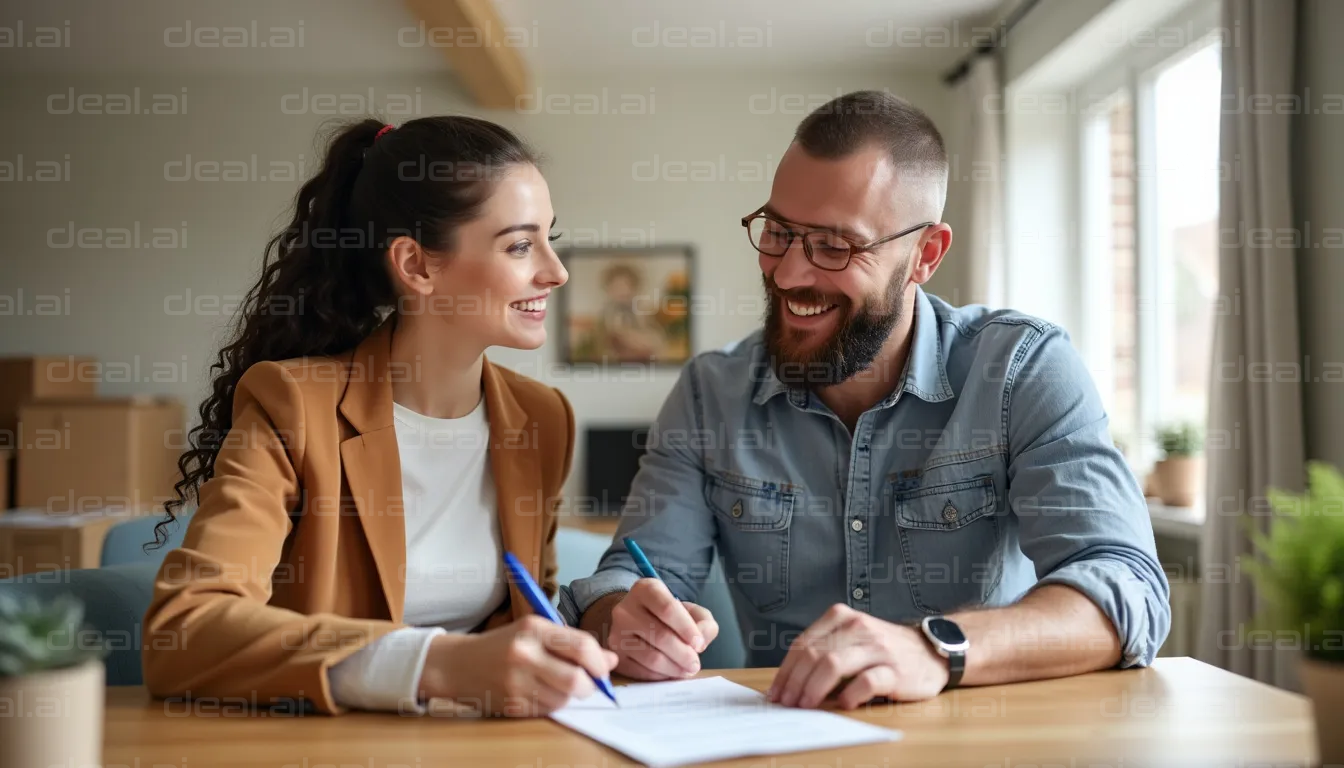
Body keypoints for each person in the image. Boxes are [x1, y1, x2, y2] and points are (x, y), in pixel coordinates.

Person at [564, 91, 1171, 709]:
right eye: (778, 233)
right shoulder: (709, 394)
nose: (788, 274)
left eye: (834, 245)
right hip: (782, 742)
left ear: (924, 256)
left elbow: (1125, 588)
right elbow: (633, 576)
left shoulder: (1021, 369)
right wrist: (622, 618)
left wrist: (937, 649)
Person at [142, 116, 617, 716]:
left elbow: (526, 617)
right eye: (520, 245)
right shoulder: (292, 405)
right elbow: (182, 634)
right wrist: (436, 665)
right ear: (417, 266)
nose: (556, 270)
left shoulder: (541, 419)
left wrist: (609, 623)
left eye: (550, 237)